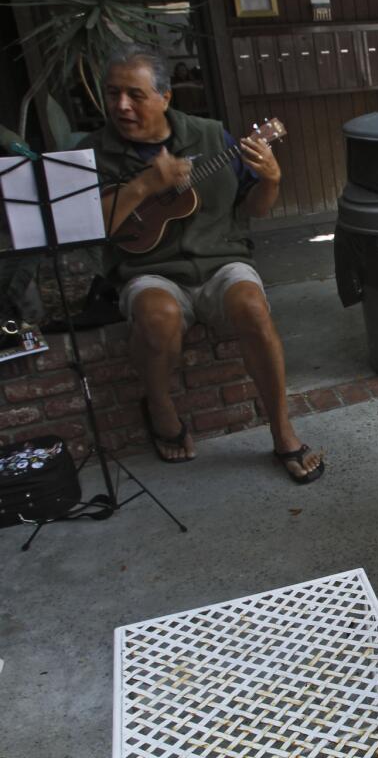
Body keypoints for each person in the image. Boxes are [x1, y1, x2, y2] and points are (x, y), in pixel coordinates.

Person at [84, 44, 323, 484]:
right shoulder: (93, 152)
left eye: (134, 95)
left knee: (252, 306)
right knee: (159, 316)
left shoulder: (211, 137)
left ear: (165, 97)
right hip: (146, 269)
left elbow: (257, 207)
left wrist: (270, 178)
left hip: (219, 259)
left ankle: (282, 430)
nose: (121, 105)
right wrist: (143, 186)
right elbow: (88, 227)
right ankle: (160, 408)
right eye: (113, 93)